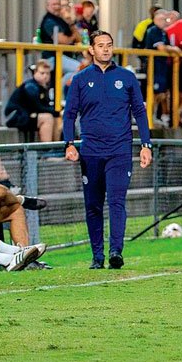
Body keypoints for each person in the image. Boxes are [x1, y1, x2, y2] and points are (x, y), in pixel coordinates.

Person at [63, 31, 153, 270]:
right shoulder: (81, 79)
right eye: (100, 45)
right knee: (93, 205)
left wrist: (146, 144)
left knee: (116, 201)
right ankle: (96, 256)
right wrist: (69, 143)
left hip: (119, 150)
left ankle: (115, 251)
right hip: (91, 151)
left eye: (109, 45)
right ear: (91, 49)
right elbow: (69, 114)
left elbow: (140, 112)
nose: (105, 49)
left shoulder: (126, 77)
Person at [4, 59, 60, 142]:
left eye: (47, 73)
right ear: (35, 73)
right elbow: (38, 107)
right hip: (16, 116)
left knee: (56, 117)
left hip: (27, 115)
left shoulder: (43, 87)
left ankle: (56, 147)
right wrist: (56, 111)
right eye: (42, 73)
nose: (45, 76)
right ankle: (47, 148)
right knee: (48, 118)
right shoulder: (30, 86)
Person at [144, 9, 182, 126]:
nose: (164, 22)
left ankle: (154, 115)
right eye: (161, 19)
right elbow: (161, 47)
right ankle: (148, 116)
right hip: (154, 67)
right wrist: (174, 49)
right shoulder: (153, 31)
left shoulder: (163, 32)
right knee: (154, 93)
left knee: (161, 94)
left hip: (162, 67)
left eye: (165, 19)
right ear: (155, 19)